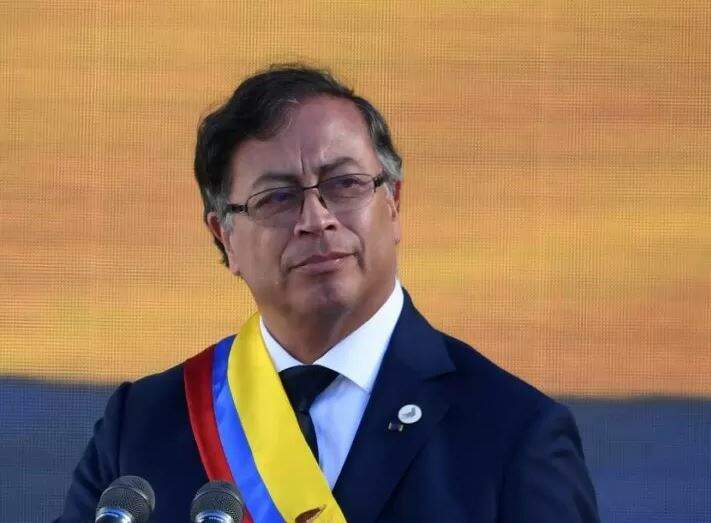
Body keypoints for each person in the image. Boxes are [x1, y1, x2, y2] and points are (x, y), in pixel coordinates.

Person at [56, 65, 599, 522]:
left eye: (344, 184)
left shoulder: (511, 432)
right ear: (225, 237)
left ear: (393, 204)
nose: (316, 220)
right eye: (277, 198)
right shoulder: (143, 428)